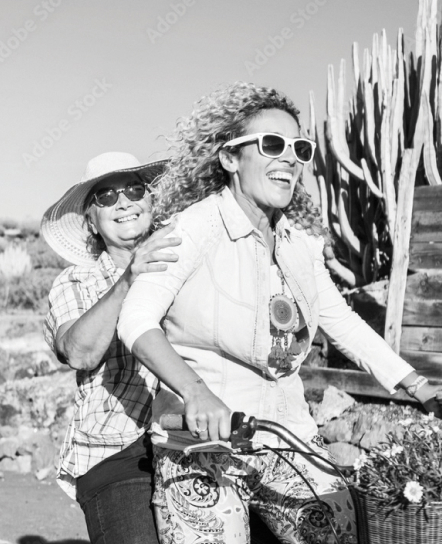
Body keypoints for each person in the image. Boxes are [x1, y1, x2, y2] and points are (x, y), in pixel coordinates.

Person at [117, 82, 442, 544]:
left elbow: (343, 323)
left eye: (299, 148)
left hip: (288, 437)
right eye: (272, 144)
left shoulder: (300, 248)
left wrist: (418, 385)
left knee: (341, 533)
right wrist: (196, 393)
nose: (289, 158)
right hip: (200, 442)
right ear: (231, 159)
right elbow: (136, 320)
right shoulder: (192, 230)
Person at [41, 152, 181, 544]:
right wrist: (128, 278)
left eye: (135, 190)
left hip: (191, 438)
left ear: (151, 202)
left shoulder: (186, 263)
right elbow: (80, 353)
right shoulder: (75, 283)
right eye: (105, 197)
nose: (123, 202)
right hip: (113, 450)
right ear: (91, 218)